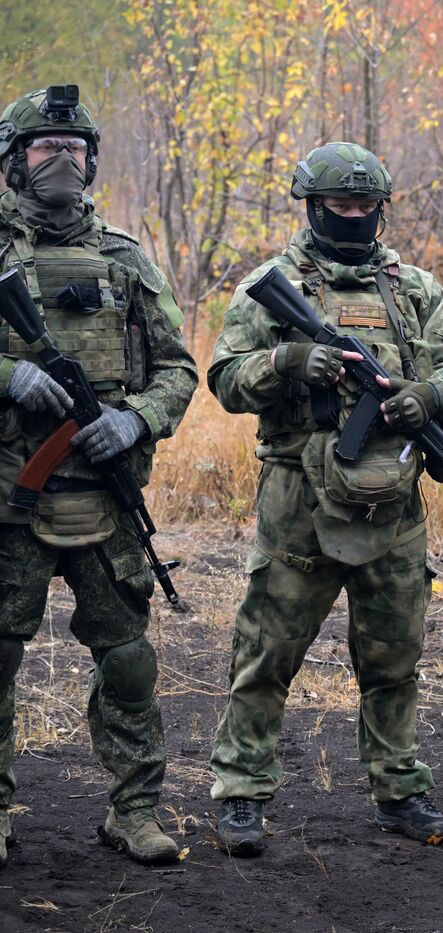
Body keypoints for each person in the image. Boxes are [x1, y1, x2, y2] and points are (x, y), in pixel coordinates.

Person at [207, 142, 443, 855]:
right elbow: (226, 380)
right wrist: (289, 360)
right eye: (341, 206)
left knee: (395, 657)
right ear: (312, 205)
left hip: (393, 501)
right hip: (299, 497)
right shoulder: (271, 286)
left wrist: (430, 393)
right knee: (267, 652)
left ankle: (400, 787)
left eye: (366, 206)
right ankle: (241, 791)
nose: (355, 217)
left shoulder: (413, 288)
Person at [0, 85, 196, 867]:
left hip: (101, 500)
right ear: (15, 162)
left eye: (74, 147)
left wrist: (138, 418)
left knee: (128, 660)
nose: (61, 159)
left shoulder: (124, 260)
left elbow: (179, 369)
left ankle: (136, 807)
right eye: (44, 146)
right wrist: (7, 376)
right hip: (9, 495)